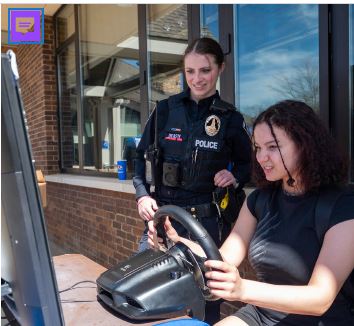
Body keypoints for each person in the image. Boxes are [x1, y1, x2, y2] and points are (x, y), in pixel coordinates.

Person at [150, 100, 354, 325]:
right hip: (262, 315)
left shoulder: (342, 207)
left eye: (273, 147)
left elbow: (320, 298)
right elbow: (222, 258)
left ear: (306, 145)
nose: (261, 157)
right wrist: (174, 241)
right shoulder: (259, 201)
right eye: (257, 147)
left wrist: (242, 289)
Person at [133, 37, 252, 324]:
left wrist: (235, 175)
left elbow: (251, 165)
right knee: (147, 295)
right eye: (190, 71)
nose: (197, 79)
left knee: (205, 300)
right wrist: (142, 195)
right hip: (162, 219)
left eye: (205, 70)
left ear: (220, 69)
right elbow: (138, 159)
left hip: (206, 224)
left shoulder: (231, 118)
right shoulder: (163, 110)